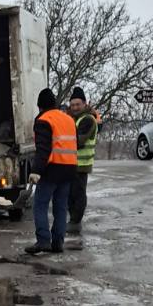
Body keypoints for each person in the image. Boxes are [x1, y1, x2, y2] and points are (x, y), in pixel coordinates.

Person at [26, 88, 79, 255]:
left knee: (40, 205)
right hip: (69, 168)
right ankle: (58, 243)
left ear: (40, 106)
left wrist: (36, 170)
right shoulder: (69, 119)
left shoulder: (43, 120)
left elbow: (43, 149)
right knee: (61, 207)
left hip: (52, 169)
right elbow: (74, 144)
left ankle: (43, 240)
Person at [67, 86, 99, 248]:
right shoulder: (74, 119)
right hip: (71, 164)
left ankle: (75, 222)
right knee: (70, 194)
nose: (74, 107)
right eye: (72, 105)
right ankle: (73, 220)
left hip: (81, 164)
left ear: (84, 104)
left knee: (78, 194)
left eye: (77, 104)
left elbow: (78, 141)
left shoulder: (87, 120)